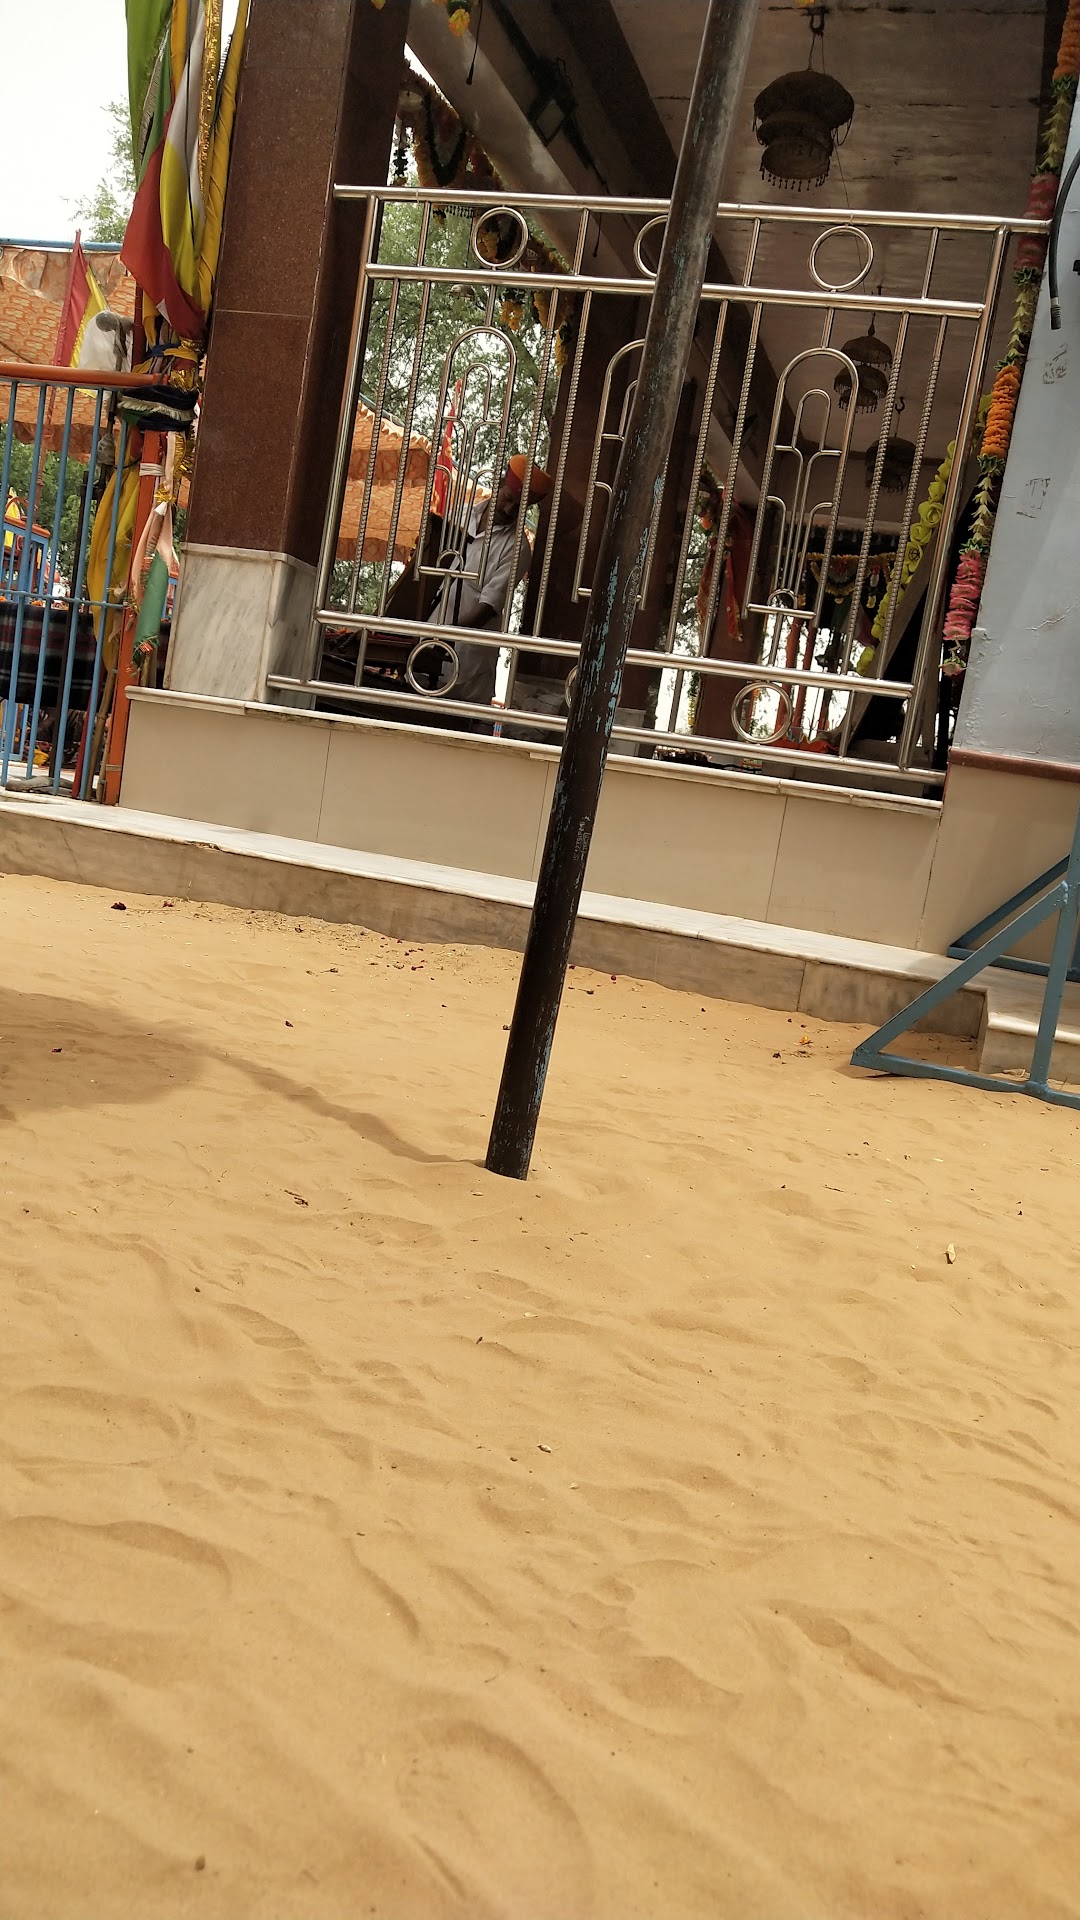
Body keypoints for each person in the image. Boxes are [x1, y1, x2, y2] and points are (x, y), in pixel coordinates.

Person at [427, 453, 552, 712]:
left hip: (466, 658)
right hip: (427, 644)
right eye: (508, 499)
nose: (509, 510)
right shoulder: (458, 516)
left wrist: (447, 636)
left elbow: (487, 607)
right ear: (498, 483)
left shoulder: (517, 548)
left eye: (519, 507)